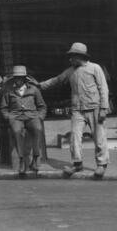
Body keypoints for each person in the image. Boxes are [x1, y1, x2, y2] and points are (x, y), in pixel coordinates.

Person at [40, 42, 110, 178]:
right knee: (75, 137)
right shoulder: (70, 71)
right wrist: (40, 85)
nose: (70, 59)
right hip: (77, 109)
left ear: (80, 56)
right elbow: (57, 80)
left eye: (72, 56)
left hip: (94, 107)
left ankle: (101, 165)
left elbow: (104, 89)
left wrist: (103, 108)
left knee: (99, 137)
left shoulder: (95, 68)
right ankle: (77, 163)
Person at [0, 65, 47, 175]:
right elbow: (3, 107)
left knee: (37, 128)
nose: (19, 80)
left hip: (32, 116)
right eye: (16, 78)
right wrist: (9, 116)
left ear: (25, 78)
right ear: (14, 79)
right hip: (16, 117)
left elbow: (42, 106)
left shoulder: (33, 89)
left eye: (21, 77)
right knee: (16, 131)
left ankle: (35, 158)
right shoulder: (8, 90)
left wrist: (40, 117)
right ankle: (21, 160)